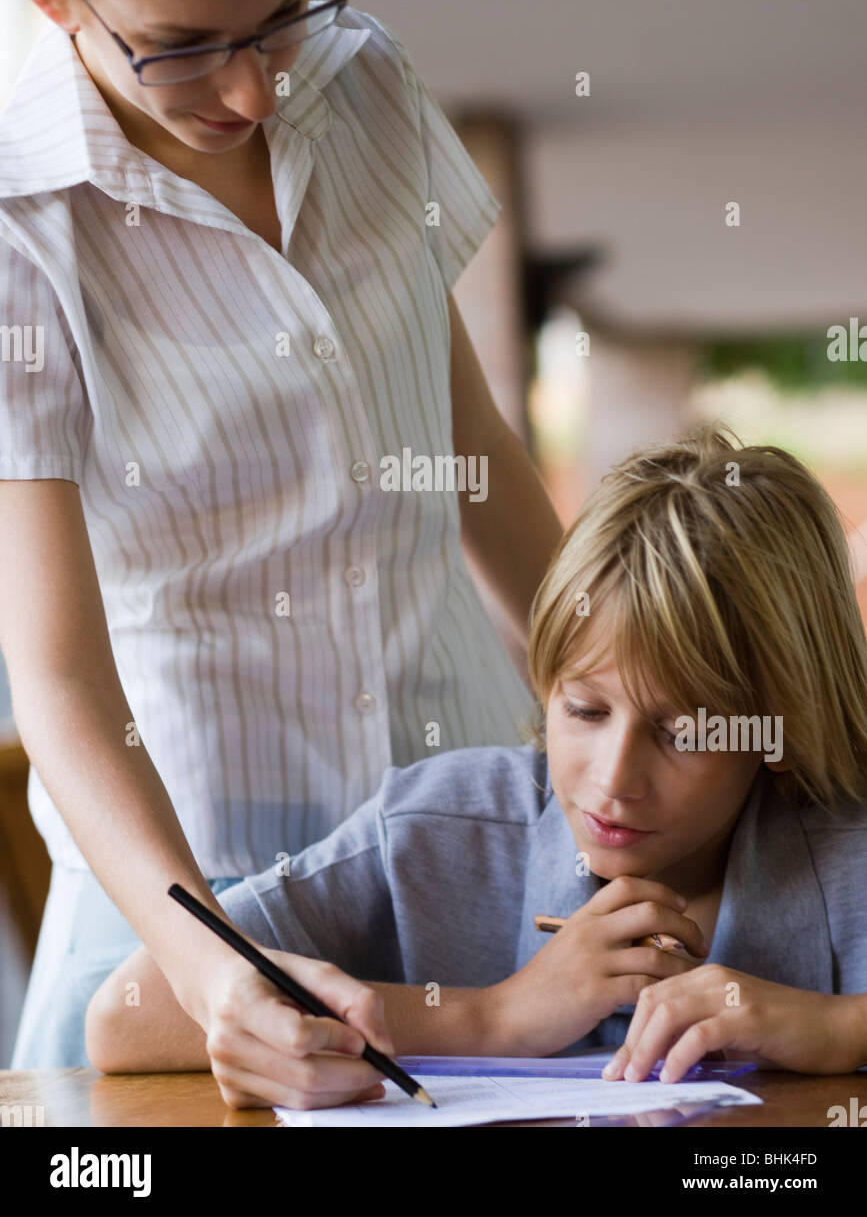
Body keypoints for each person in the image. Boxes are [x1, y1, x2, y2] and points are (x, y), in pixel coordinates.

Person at [0, 0, 562, 1071]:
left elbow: (466, 446)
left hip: (465, 836)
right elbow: (60, 678)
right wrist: (214, 969)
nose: (253, 92)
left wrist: (642, 698)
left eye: (280, 14)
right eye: (182, 46)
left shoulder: (365, 85)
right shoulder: (16, 224)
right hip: (197, 901)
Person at [86, 425, 867, 1109]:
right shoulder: (439, 828)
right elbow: (127, 1015)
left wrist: (836, 1029)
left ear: (782, 731)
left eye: (683, 734)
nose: (612, 779)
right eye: (584, 712)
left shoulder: (846, 852)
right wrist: (495, 1019)